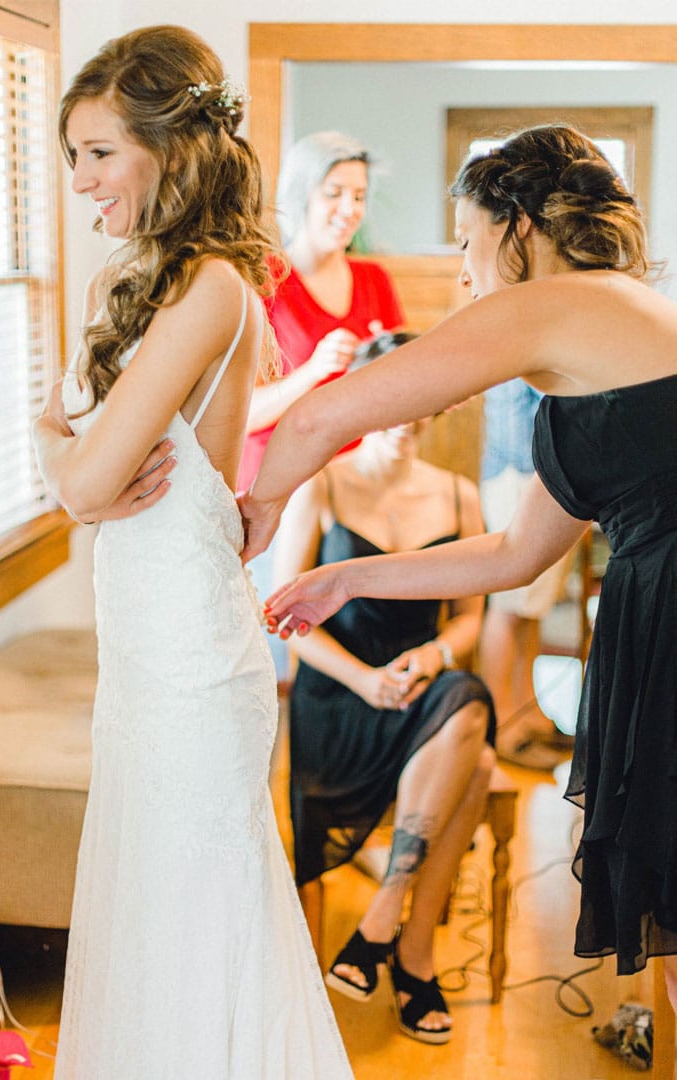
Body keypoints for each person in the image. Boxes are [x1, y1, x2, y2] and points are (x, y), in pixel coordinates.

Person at [240, 124, 677, 1016]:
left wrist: (245, 520)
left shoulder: (553, 301)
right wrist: (346, 579)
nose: (466, 276)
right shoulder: (609, 325)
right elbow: (514, 553)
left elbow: (324, 420)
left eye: (471, 244)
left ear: (521, 227)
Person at [32, 26, 353, 1079]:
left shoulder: (215, 285)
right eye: (72, 155)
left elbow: (83, 482)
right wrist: (61, 455)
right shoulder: (127, 286)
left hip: (191, 667)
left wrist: (70, 465)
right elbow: (59, 442)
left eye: (97, 154)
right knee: (143, 912)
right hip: (141, 658)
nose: (80, 181)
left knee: (193, 924)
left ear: (168, 148)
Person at [274, 332, 496, 1043]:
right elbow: (283, 616)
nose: (406, 415)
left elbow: (470, 622)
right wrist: (366, 680)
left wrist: (430, 657)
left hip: (420, 693)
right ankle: (413, 956)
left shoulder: (460, 498)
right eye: (390, 399)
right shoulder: (325, 484)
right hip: (338, 697)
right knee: (481, 761)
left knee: (463, 696)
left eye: (418, 400)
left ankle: (386, 919)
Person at [238, 131, 404, 681]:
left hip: (353, 500)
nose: (349, 209)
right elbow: (241, 414)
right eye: (335, 193)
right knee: (276, 655)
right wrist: (313, 372)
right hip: (276, 496)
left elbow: (397, 381)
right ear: (302, 193)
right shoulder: (262, 283)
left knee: (351, 642)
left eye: (358, 195)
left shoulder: (374, 281)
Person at [479, 379, 575, 770]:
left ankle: (527, 711)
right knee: (508, 603)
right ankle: (501, 723)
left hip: (540, 470)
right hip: (518, 470)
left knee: (534, 607)